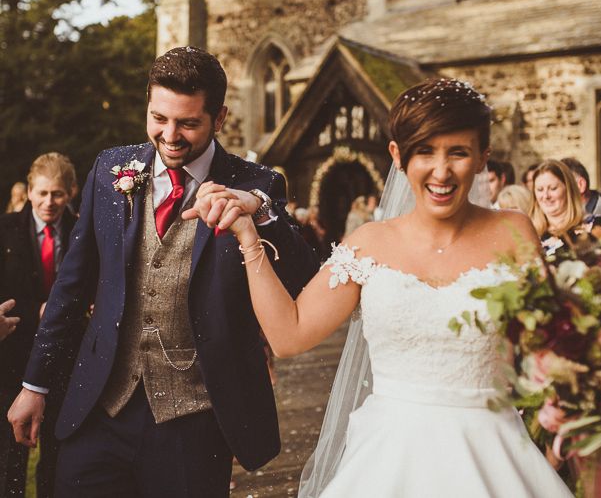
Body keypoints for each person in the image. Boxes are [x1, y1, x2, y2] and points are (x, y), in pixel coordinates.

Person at [186, 78, 572, 497]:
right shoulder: (369, 244)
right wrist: (248, 237)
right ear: (398, 156)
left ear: (483, 158)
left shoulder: (513, 232)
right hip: (390, 457)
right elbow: (288, 335)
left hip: (495, 453)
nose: (441, 171)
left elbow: (550, 346)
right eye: (424, 151)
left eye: (458, 153)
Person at [7, 47, 319, 498]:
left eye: (188, 123)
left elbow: (305, 280)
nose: (169, 135)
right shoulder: (110, 170)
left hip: (194, 421)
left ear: (220, 117)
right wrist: (34, 385)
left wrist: (261, 212)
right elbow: (70, 288)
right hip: (100, 408)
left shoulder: (258, 184)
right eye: (159, 118)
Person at [0, 153, 81, 498]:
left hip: (66, 359)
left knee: (60, 457)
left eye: (58, 194)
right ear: (30, 191)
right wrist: (41, 310)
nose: (49, 202)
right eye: (43, 193)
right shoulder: (5, 229)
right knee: (9, 461)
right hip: (12, 358)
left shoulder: (83, 231)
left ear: (71, 192)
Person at [530, 159, 601, 254]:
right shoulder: (529, 234)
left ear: (568, 189)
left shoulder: (594, 227)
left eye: (553, 188)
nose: (545, 196)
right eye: (540, 190)